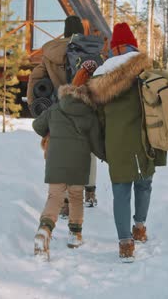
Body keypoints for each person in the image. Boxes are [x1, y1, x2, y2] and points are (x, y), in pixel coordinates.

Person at [87, 22, 166, 263]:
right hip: (147, 138)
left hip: (117, 141)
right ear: (133, 45)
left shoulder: (101, 76)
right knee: (144, 185)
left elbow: (97, 118)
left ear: (115, 48)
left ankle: (125, 244)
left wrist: (103, 145)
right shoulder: (150, 69)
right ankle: (140, 228)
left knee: (121, 192)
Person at [32, 60, 105, 261]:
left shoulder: (56, 108)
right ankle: (75, 235)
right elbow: (97, 144)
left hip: (55, 160)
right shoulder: (90, 114)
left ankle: (44, 231)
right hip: (78, 162)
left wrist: (52, 130)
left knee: (54, 197)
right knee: (75, 196)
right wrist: (108, 157)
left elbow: (38, 126)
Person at [28, 15, 99, 211]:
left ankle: (66, 201)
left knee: (61, 150)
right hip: (86, 107)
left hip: (59, 107)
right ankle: (90, 191)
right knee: (89, 148)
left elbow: (36, 77)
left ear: (65, 30)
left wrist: (35, 105)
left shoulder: (51, 51)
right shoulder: (89, 49)